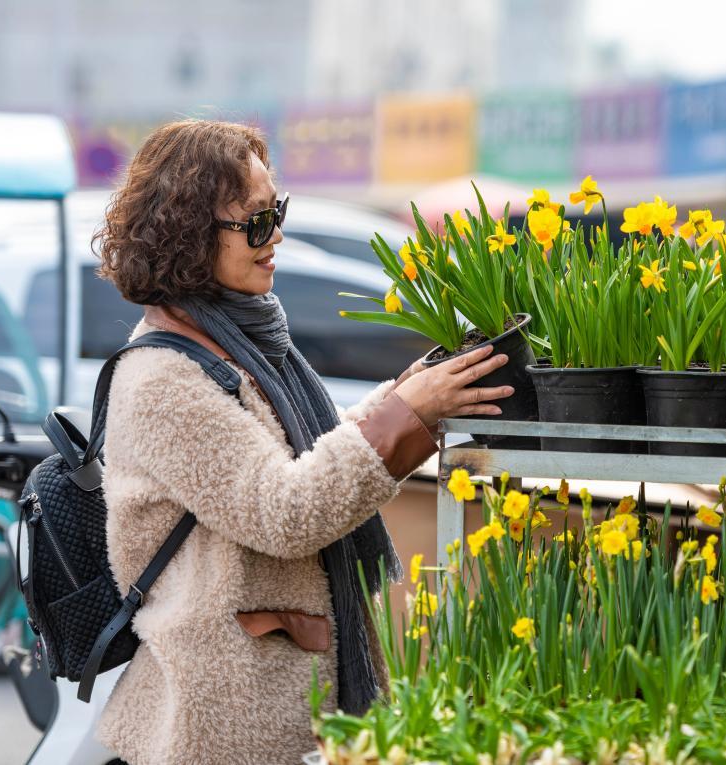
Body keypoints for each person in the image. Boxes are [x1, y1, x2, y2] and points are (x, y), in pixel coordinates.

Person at [91, 119, 511, 764]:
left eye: (276, 212)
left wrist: (410, 397)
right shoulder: (160, 379)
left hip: (269, 697)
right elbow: (283, 511)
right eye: (255, 222)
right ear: (189, 235)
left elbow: (315, 452)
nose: (277, 235)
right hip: (226, 720)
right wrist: (405, 415)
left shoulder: (245, 348)